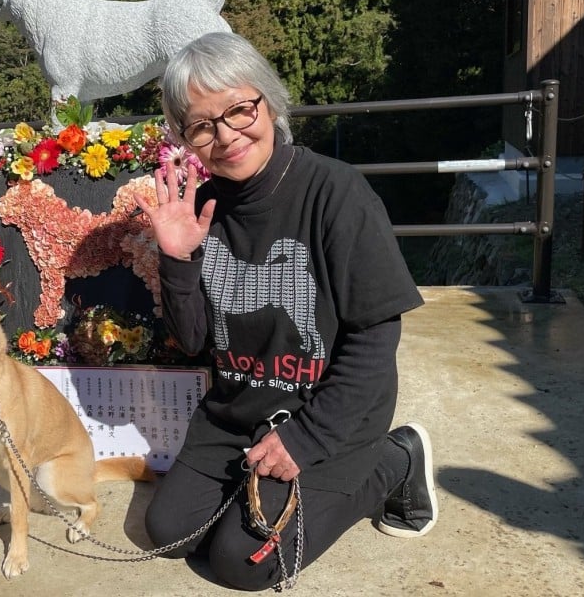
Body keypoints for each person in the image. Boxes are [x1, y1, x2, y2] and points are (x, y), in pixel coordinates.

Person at [134, 32, 437, 591]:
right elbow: (195, 342)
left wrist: (308, 439)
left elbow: (375, 341)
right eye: (202, 125)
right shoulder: (201, 209)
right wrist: (176, 261)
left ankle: (395, 460)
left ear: (267, 101)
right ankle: (252, 494)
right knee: (168, 532)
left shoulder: (337, 193)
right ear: (185, 139)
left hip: (326, 417)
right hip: (234, 415)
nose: (225, 136)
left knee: (241, 564)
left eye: (238, 110)